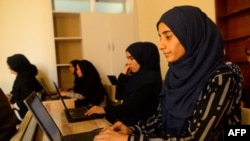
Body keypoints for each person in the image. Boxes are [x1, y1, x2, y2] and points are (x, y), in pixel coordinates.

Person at [93, 6, 242, 141]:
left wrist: (128, 140)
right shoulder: (174, 73)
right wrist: (132, 129)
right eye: (160, 37)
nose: (161, 45)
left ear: (191, 35)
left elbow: (196, 139)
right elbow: (160, 119)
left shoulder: (221, 78)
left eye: (168, 36)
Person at [85, 42, 162, 126]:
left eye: (131, 58)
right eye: (128, 58)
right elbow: (119, 96)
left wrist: (104, 110)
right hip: (129, 121)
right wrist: (123, 75)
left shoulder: (150, 80)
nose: (128, 63)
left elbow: (130, 108)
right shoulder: (137, 77)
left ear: (143, 58)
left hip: (140, 127)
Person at [6, 54, 43, 122]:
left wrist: (13, 106)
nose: (11, 72)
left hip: (23, 113)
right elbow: (20, 91)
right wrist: (11, 95)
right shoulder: (26, 76)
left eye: (11, 68)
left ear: (16, 66)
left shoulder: (24, 79)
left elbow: (28, 98)